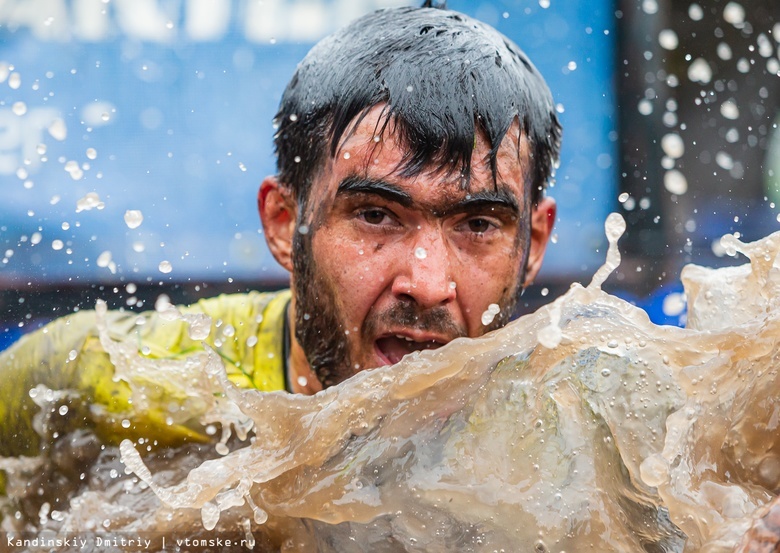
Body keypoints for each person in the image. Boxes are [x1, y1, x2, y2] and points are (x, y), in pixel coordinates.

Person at [0, 2, 558, 459]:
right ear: (284, 223)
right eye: (375, 215)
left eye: (478, 224)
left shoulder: (573, 433)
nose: (429, 283)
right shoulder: (103, 383)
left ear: (532, 244)